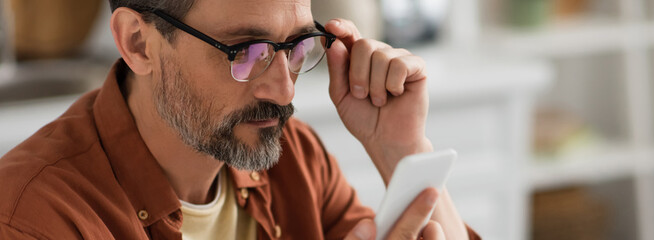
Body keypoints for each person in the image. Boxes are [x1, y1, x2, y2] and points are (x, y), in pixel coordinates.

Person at [0, 0, 480, 239]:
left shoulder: (298, 162)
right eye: (246, 51)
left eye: (295, 46)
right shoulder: (32, 217)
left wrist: (400, 150)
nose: (285, 90)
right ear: (138, 43)